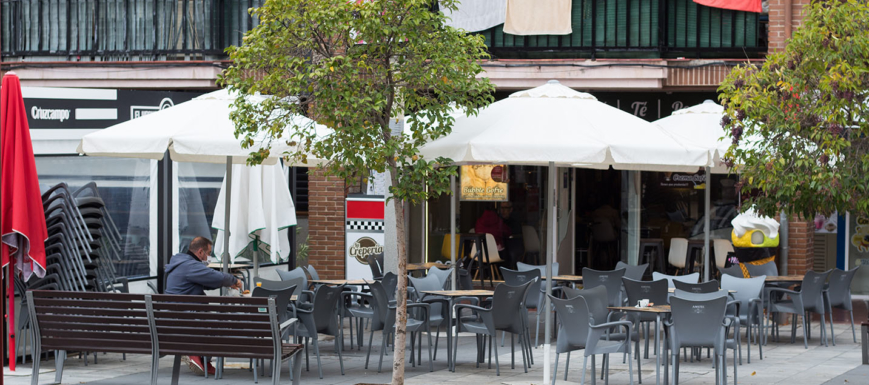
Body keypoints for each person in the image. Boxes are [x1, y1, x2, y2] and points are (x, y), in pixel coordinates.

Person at [165, 236, 243, 375]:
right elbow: (215, 276)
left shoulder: (182, 263)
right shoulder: (190, 265)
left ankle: (203, 360)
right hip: (187, 317)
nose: (209, 257)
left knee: (212, 320)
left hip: (178, 314)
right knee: (218, 323)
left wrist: (227, 283)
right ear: (200, 252)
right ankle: (195, 354)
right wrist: (234, 280)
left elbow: (205, 282)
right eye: (208, 253)